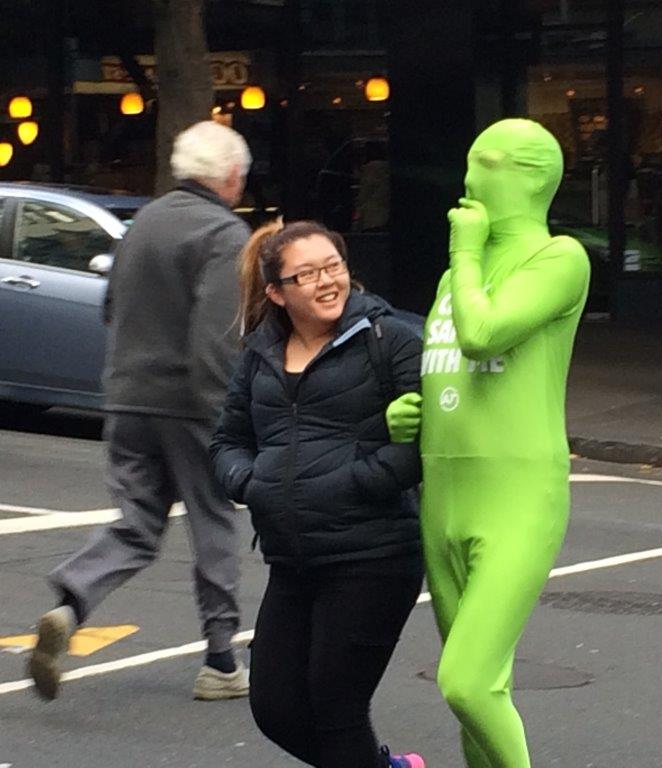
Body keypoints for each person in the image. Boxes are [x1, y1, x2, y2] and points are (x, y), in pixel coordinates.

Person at [385, 118, 590, 768]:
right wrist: (410, 414)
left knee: (466, 679)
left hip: (516, 497)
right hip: (444, 496)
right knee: (477, 697)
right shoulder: (455, 279)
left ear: (530, 177)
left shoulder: (559, 259)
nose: (468, 179)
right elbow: (451, 367)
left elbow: (483, 334)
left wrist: (465, 253)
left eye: (485, 163)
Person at [30, 121, 252, 701]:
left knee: (137, 522)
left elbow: (111, 306)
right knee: (213, 521)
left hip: (127, 396)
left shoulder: (143, 223)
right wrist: (226, 416)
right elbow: (217, 335)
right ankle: (221, 660)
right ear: (229, 177)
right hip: (188, 403)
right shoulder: (225, 234)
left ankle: (71, 604)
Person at [210, 220, 425, 768]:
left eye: (334, 267)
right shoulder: (260, 355)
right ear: (277, 293)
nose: (327, 282)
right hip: (293, 557)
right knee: (275, 708)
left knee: (336, 706)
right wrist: (250, 482)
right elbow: (227, 441)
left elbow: (427, 444)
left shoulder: (391, 339)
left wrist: (359, 482)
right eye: (307, 275)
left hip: (372, 553)